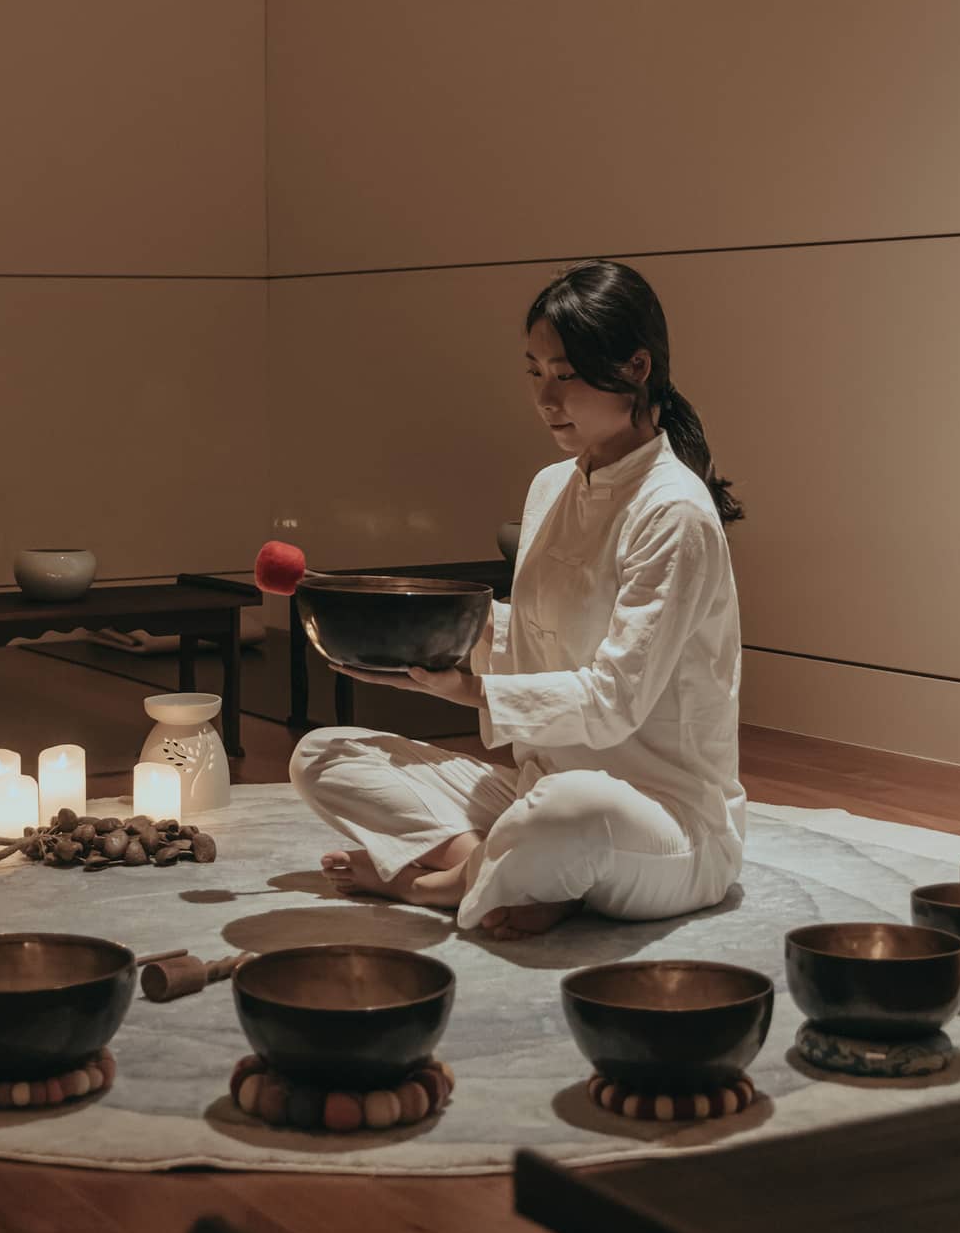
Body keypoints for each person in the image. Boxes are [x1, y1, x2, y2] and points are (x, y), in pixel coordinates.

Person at [289, 258, 746, 941]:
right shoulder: (549, 486)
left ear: (637, 368)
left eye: (566, 374)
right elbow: (532, 633)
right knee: (323, 755)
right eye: (535, 372)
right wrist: (409, 636)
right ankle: (500, 869)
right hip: (536, 793)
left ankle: (437, 881)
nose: (545, 398)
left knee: (571, 810)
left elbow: (615, 699)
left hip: (664, 826)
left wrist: (474, 694)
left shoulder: (674, 511)